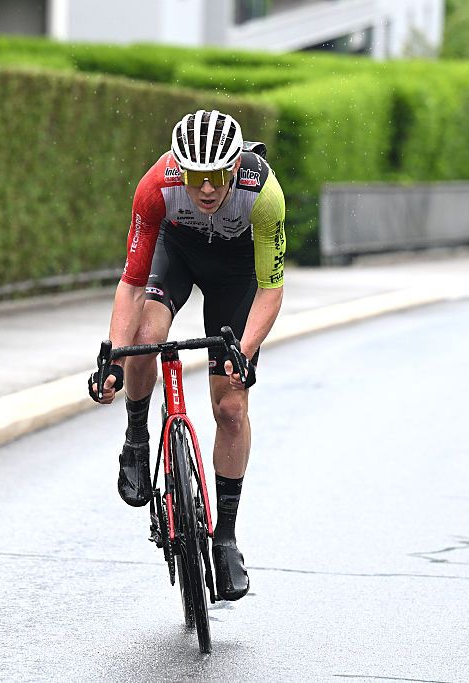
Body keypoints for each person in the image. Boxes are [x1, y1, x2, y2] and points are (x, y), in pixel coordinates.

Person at [88, 109, 286, 601]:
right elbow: (133, 283)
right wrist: (113, 355)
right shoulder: (156, 186)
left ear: (236, 167)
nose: (206, 190)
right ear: (181, 168)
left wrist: (243, 352)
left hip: (238, 273)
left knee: (230, 405)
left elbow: (270, 289)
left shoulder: (264, 195)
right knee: (147, 334)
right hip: (177, 254)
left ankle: (226, 539)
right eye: (196, 177)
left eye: (217, 177)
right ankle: (137, 439)